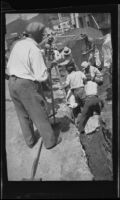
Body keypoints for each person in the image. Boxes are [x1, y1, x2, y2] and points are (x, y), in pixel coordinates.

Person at [7, 22, 62, 149]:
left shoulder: (19, 44)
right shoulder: (35, 50)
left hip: (12, 82)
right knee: (38, 113)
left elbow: (32, 48)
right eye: (42, 35)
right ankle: (50, 141)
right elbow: (41, 77)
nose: (44, 37)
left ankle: (30, 141)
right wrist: (47, 66)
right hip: (24, 85)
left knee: (23, 115)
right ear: (38, 35)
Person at [77, 61, 103, 134]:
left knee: (84, 114)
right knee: (97, 109)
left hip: (96, 81)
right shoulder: (93, 84)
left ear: (88, 66)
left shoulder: (94, 69)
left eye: (85, 68)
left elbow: (100, 78)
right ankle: (98, 115)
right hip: (95, 98)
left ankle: (80, 129)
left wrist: (94, 78)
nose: (84, 69)